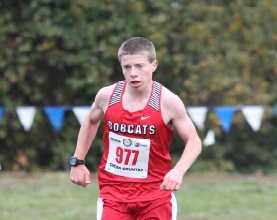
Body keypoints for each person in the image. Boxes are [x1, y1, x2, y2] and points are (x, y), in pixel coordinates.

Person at [69, 37, 202, 220]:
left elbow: (194, 141)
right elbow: (91, 121)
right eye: (127, 67)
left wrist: (178, 171)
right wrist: (78, 161)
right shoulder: (107, 96)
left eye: (139, 66)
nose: (133, 73)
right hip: (113, 195)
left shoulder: (168, 101)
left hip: (155, 196)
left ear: (154, 65)